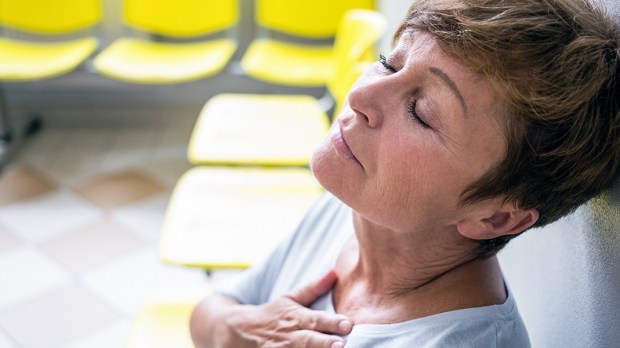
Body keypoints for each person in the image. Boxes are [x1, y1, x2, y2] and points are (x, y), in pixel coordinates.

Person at [190, 0, 620, 346]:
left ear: (494, 217)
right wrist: (235, 329)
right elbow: (215, 310)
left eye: (421, 113)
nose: (361, 94)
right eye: (389, 63)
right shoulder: (356, 209)